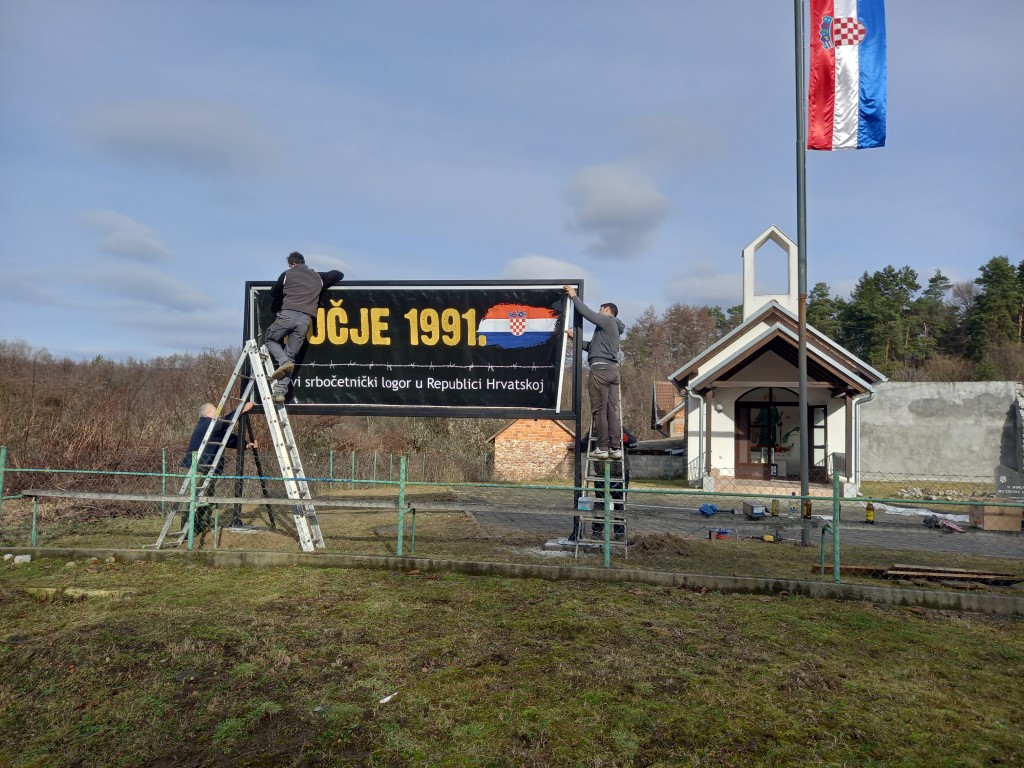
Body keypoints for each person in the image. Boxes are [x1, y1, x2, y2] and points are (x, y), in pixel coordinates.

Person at [265, 251, 344, 404]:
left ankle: (282, 362)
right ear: (303, 262)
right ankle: (280, 392)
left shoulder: (288, 274)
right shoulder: (318, 277)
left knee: (270, 338)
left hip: (287, 315)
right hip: (305, 320)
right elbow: (338, 274)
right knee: (290, 357)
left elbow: (274, 293)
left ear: (292, 264)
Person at [564, 285, 625, 459]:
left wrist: (574, 297)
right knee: (611, 410)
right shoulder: (610, 330)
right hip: (612, 370)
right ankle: (615, 448)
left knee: (599, 410)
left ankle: (603, 448)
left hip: (600, 371)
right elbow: (592, 347)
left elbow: (587, 313)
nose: (599, 312)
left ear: (607, 310)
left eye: (601, 309)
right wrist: (574, 338)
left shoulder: (607, 321)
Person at [179, 401, 257, 532]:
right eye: (215, 411)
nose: (218, 413)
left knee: (206, 501)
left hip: (206, 470)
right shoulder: (205, 424)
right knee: (191, 501)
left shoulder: (213, 429)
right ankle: (187, 532)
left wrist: (245, 444)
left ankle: (202, 529)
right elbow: (224, 424)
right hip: (195, 469)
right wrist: (240, 409)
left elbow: (228, 438)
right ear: (208, 413)